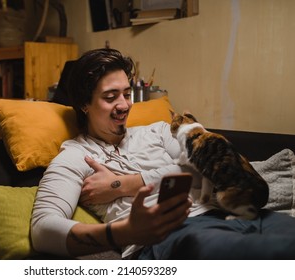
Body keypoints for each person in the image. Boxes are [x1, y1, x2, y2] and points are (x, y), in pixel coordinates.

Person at [31, 48, 295, 259]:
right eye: (110, 97)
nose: (124, 105)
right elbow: (43, 229)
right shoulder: (76, 156)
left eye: (126, 93)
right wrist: (124, 232)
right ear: (84, 104)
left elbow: (204, 167)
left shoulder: (157, 131)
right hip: (174, 235)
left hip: (235, 213)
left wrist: (123, 183)